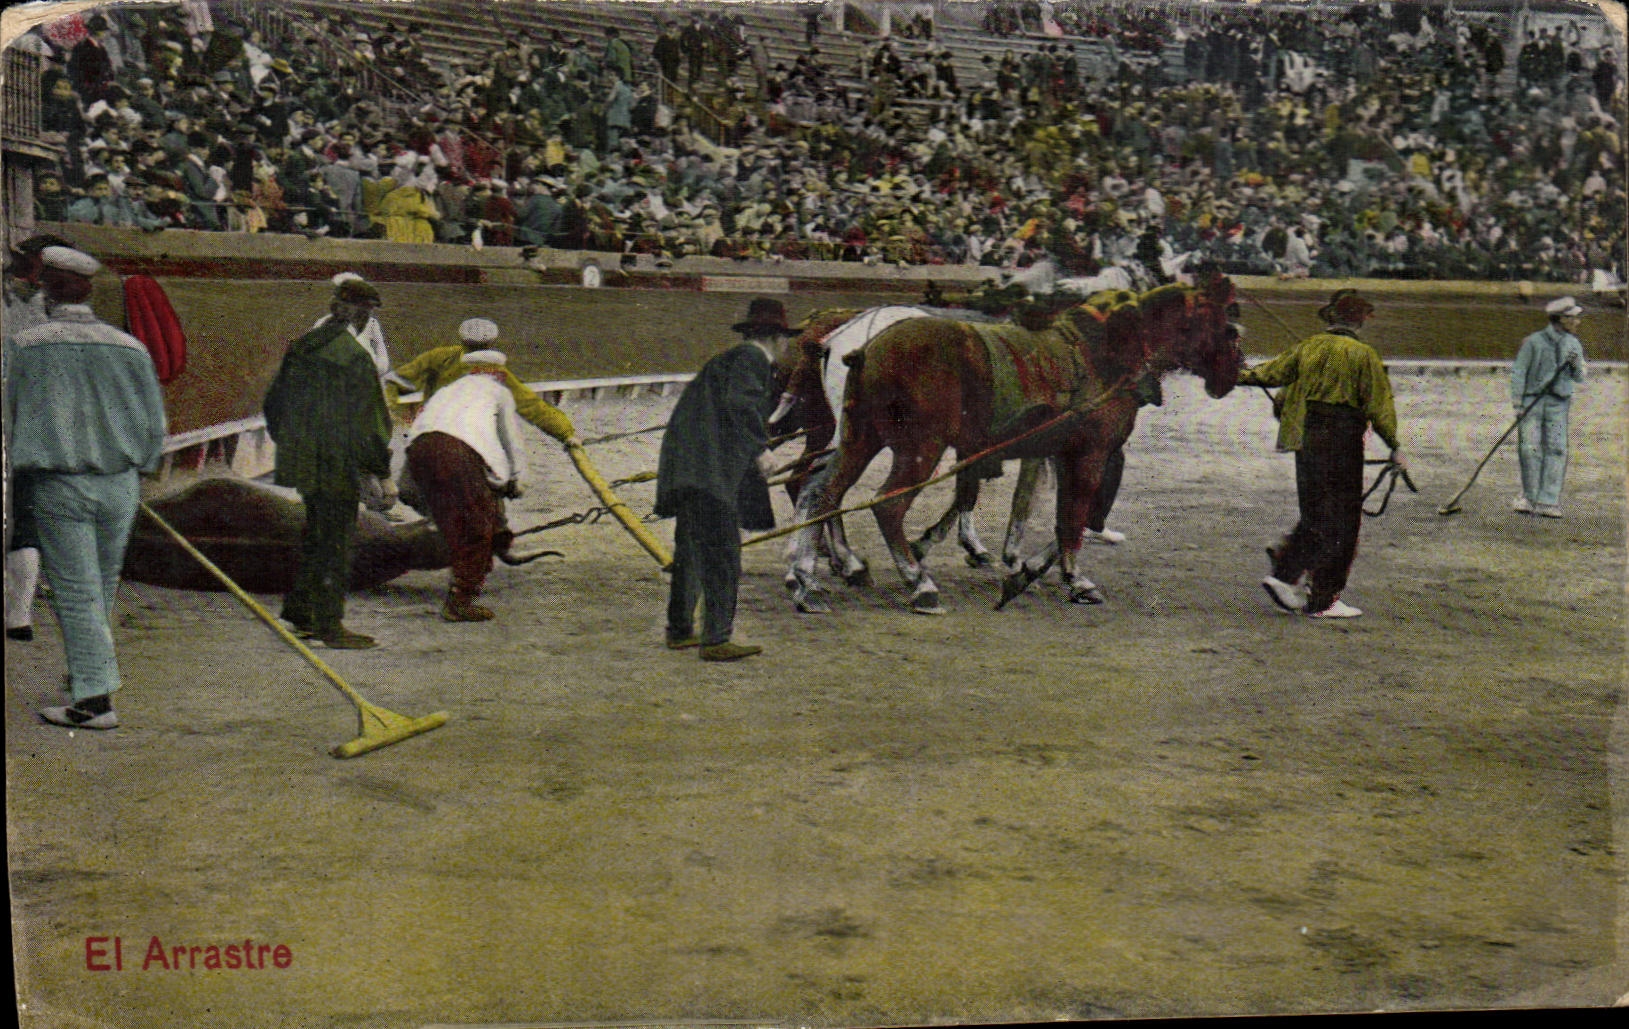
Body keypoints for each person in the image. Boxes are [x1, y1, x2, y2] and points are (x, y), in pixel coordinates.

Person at [6, 246, 167, 728]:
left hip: (62, 483)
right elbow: (153, 425)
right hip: (121, 484)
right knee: (100, 588)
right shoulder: (130, 346)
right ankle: (87, 680)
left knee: (77, 595)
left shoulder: (28, 344)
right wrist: (134, 464)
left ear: (47, 291)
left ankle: (94, 701)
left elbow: (11, 416)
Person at [1240, 288, 1404, 619]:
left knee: (1316, 509)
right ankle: (1322, 598)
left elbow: (1266, 375)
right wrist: (1396, 446)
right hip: (1342, 438)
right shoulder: (1364, 355)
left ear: (1332, 318)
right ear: (1361, 320)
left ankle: (1286, 570)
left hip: (1306, 436)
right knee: (1343, 519)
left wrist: (1236, 370)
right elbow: (1379, 406)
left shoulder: (1309, 347)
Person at [654, 297, 793, 661]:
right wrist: (761, 450)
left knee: (691, 552)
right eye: (786, 339)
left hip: (689, 470)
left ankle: (681, 630)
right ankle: (716, 639)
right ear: (776, 338)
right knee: (722, 555)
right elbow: (741, 405)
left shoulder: (725, 360)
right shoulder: (751, 359)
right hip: (710, 475)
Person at [262, 278, 396, 649]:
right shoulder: (355, 358)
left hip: (303, 458)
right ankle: (329, 625)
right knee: (335, 540)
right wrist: (381, 474)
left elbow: (273, 404)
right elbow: (370, 425)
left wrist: (292, 445)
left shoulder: (302, 347)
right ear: (366, 315)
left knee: (316, 533)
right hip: (337, 462)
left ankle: (301, 612)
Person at [404, 350, 526, 622]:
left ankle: (464, 558)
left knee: (454, 518)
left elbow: (418, 427)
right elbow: (511, 439)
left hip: (419, 450)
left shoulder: (448, 390)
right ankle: (461, 600)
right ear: (500, 374)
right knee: (476, 525)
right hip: (456, 453)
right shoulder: (499, 393)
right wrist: (515, 479)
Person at [3, 234, 71, 643]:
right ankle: (19, 616)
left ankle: (19, 612)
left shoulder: (28, 308)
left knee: (23, 521)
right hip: (34, 425)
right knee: (25, 521)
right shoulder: (59, 315)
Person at [385, 317, 578, 450]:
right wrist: (565, 433)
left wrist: (393, 416)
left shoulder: (438, 357)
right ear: (491, 344)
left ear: (462, 340)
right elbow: (531, 406)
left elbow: (393, 382)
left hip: (431, 429)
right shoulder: (496, 371)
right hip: (473, 435)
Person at [1511, 296, 1588, 518]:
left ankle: (1548, 500)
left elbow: (1580, 377)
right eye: (1573, 318)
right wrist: (1518, 404)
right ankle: (1529, 497)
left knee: (1556, 448)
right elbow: (1519, 373)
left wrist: (1575, 364)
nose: (1577, 322)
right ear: (1561, 319)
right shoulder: (1533, 342)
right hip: (1532, 402)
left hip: (1558, 402)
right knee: (1529, 448)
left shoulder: (1573, 344)